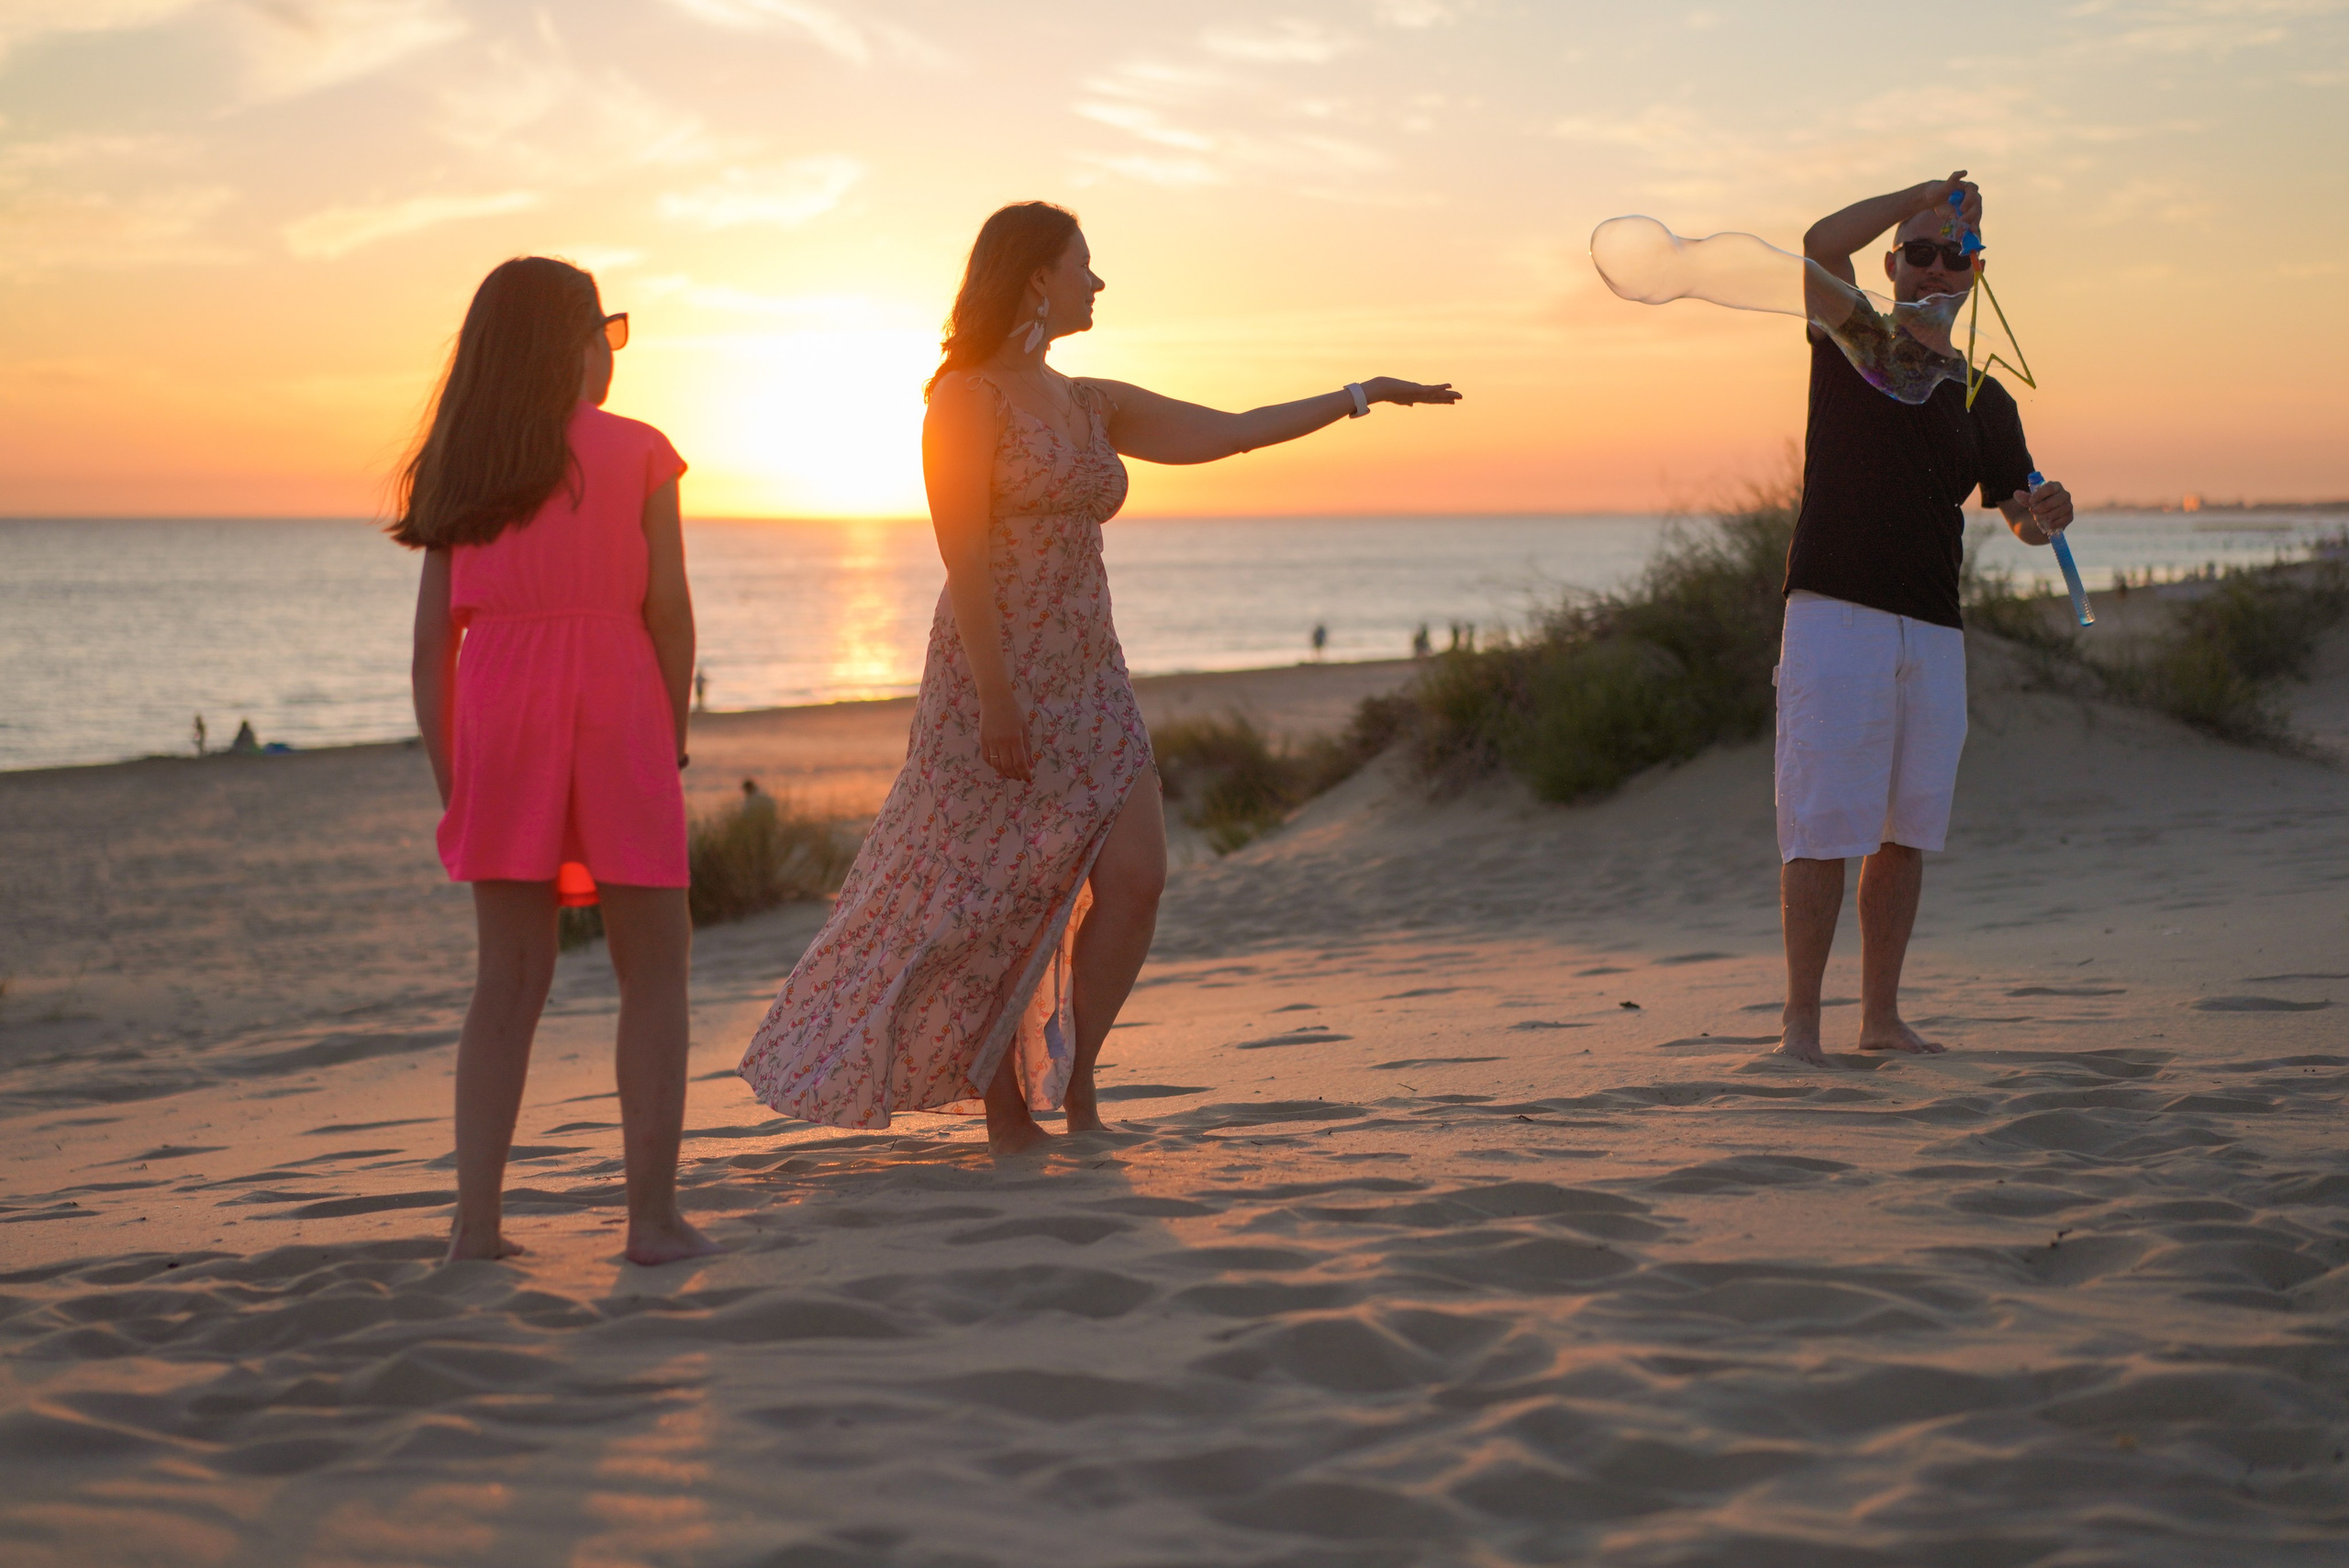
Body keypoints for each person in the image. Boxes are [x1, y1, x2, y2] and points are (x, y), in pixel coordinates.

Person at [740, 201, 1459, 1151]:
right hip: (991, 676)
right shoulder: (963, 396)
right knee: (988, 895)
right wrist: (996, 699)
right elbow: (961, 555)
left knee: (1139, 876)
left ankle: (1075, 1076)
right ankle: (1005, 1108)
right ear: (1036, 276)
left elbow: (1233, 429)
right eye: (1086, 263)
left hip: (1090, 674)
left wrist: (1359, 394)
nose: (1099, 280)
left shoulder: (1087, 401)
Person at [395, 256, 718, 1264]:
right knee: (653, 969)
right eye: (607, 330)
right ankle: (651, 1220)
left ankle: (476, 1226)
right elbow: (669, 614)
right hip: (614, 699)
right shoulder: (638, 452)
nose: (611, 352)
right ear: (574, 341)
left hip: (500, 711)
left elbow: (427, 649)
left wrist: (460, 778)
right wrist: (665, 739)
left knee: (510, 976)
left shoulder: (462, 464)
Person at [1776, 172, 2074, 1066]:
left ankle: (1880, 1017)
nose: (1939, 267)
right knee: (1823, 824)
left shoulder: (1983, 395)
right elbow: (1818, 242)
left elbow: (2016, 513)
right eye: (1922, 251)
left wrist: (2043, 511)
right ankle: (1799, 1028)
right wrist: (1925, 190)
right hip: (1835, 611)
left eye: (1958, 255)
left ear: (1976, 274)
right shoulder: (1850, 334)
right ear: (1893, 262)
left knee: (1904, 832)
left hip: (1932, 627)